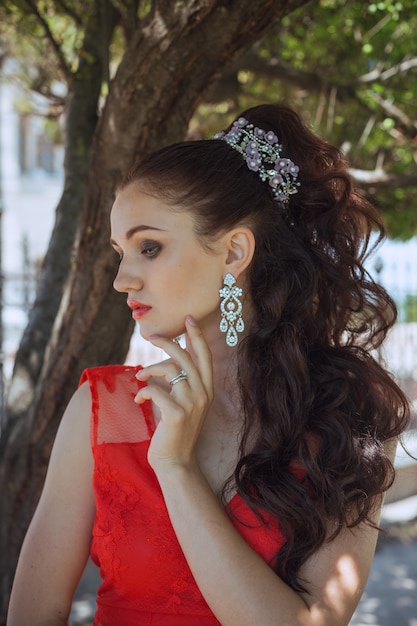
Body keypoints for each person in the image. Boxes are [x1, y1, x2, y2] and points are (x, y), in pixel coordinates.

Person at [7, 104, 410, 626]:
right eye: (119, 253)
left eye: (148, 247)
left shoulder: (349, 420)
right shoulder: (103, 410)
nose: (121, 279)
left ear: (234, 251)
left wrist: (175, 469)